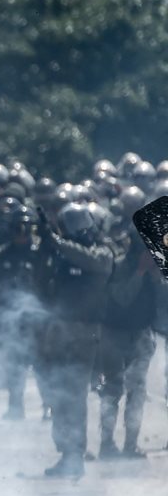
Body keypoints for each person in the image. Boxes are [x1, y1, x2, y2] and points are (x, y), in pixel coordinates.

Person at [35, 203, 115, 477]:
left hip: (84, 334)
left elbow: (89, 259)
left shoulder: (102, 253)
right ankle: (66, 452)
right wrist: (48, 246)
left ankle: (75, 456)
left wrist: (56, 242)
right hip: (57, 330)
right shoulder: (63, 254)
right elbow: (42, 285)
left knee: (74, 396)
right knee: (56, 394)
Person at [96, 187, 156, 458]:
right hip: (115, 335)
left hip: (141, 335)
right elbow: (121, 298)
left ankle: (131, 444)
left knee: (138, 391)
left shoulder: (156, 266)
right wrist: (140, 272)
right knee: (112, 390)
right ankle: (107, 444)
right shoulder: (119, 265)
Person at [0, 205, 40, 419]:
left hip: (39, 317)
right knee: (15, 364)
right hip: (12, 318)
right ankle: (16, 406)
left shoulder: (40, 253)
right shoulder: (2, 255)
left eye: (25, 228)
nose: (22, 233)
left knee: (44, 365)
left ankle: (50, 406)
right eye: (17, 228)